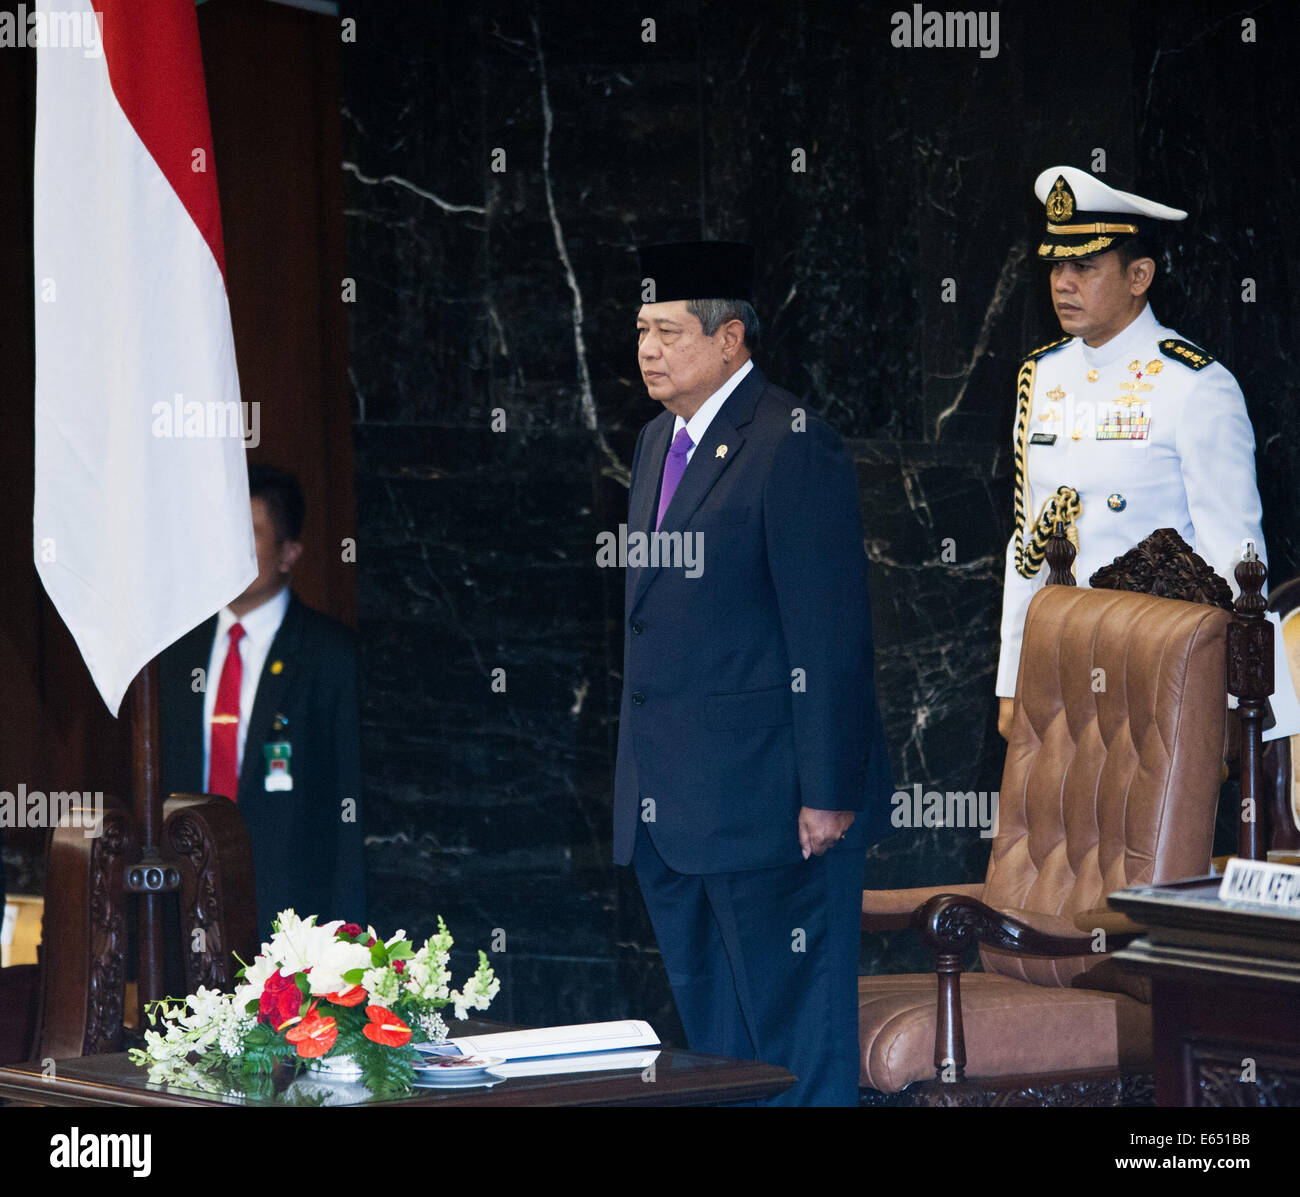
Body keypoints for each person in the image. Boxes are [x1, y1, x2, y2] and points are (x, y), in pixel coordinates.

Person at [613, 240, 893, 1106]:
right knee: (717, 1058)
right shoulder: (658, 440)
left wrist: (828, 789)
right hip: (673, 806)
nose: (647, 350)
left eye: (667, 331)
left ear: (730, 339)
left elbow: (829, 630)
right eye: (640, 331)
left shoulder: (791, 443)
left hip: (774, 806)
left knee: (792, 1048)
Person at [997, 165, 1300, 741]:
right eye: (1057, 265)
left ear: (1139, 275)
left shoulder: (1193, 385)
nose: (1063, 282)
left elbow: (1234, 552)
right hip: (1058, 670)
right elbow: (1027, 542)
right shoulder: (1041, 377)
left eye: (1084, 265)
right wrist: (1011, 680)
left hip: (1157, 674)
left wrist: (1237, 703)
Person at [159, 464, 366, 941]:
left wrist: (347, 931)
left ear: (289, 552)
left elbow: (347, 802)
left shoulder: (330, 655)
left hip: (294, 916)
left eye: (249, 535)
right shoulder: (173, 653)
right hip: (185, 908)